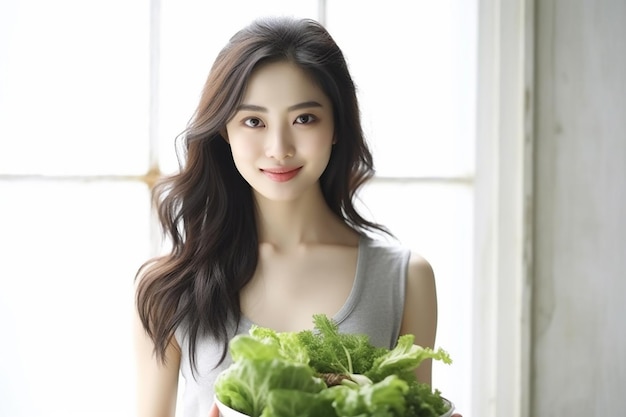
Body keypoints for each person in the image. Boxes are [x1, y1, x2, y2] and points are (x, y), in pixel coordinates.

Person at [134, 16, 462, 417]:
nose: (279, 147)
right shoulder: (168, 288)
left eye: (304, 119)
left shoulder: (404, 278)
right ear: (224, 131)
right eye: (253, 121)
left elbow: (412, 407)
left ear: (337, 125)